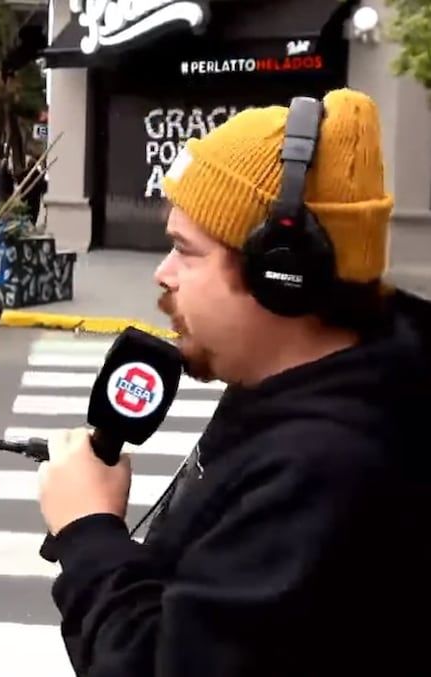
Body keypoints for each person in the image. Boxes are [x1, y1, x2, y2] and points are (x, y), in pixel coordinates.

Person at [36, 89, 427, 676]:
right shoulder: (301, 385)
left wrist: (88, 532)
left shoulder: (323, 473)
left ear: (281, 273)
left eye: (184, 250)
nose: (162, 274)